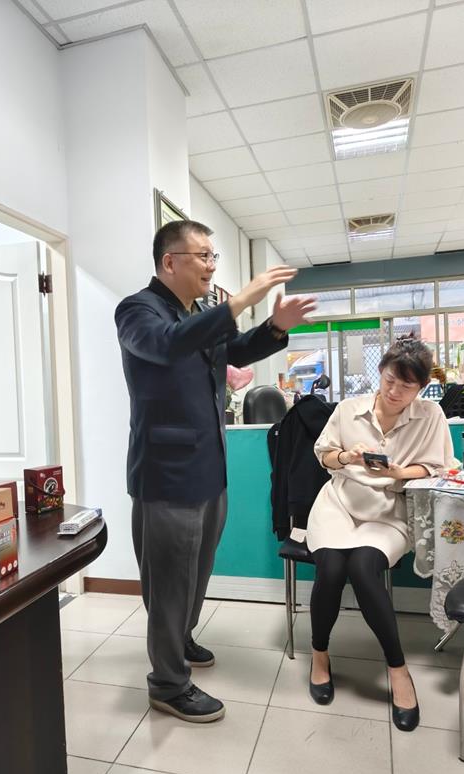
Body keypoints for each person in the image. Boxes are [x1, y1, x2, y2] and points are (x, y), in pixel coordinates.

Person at [115, 219, 316, 723]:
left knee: (196, 571)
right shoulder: (138, 311)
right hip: (166, 476)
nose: (210, 265)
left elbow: (234, 350)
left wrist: (275, 328)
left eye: (212, 256)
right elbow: (168, 344)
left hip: (209, 469)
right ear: (170, 262)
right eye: (202, 255)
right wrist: (242, 298)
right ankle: (167, 684)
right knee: (169, 582)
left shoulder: (199, 313)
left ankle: (181, 639)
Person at [296, 336, 453, 731]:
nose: (395, 391)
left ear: (422, 386)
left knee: (364, 569)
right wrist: (346, 456)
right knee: (331, 568)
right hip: (339, 503)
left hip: (389, 510)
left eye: (407, 385)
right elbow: (324, 454)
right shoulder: (349, 409)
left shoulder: (430, 414)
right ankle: (320, 655)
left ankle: (398, 670)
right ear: (380, 373)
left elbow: (437, 466)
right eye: (389, 380)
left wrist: (399, 472)